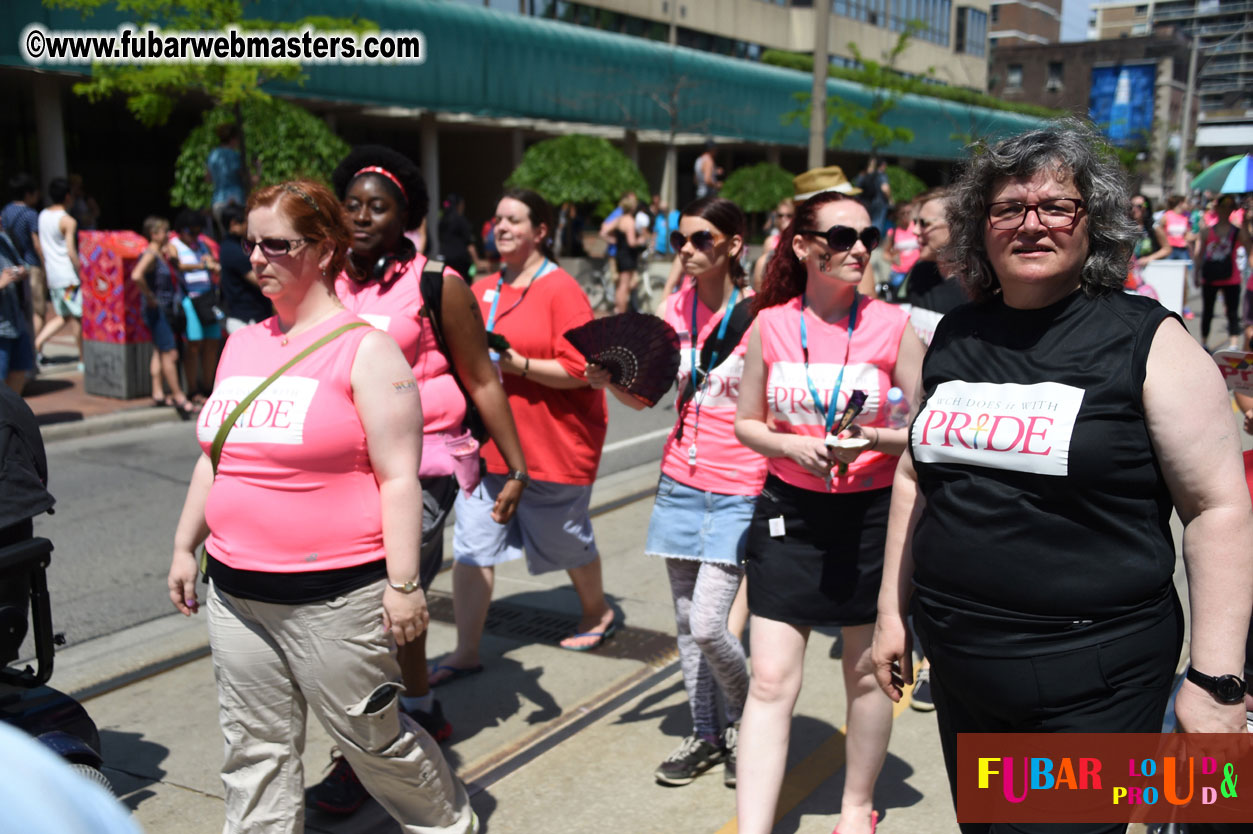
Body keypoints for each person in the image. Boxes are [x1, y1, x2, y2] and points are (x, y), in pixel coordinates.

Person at [870, 122, 1253, 834]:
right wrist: (893, 614)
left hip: (1089, 683)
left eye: (1056, 205)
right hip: (963, 668)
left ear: (1094, 224)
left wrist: (1214, 683)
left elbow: (1217, 509)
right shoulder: (956, 337)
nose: (1030, 223)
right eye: (1007, 208)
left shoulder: (1149, 341)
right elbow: (914, 477)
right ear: (979, 229)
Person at [166, 179, 477, 834]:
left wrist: (403, 585)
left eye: (275, 245)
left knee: (373, 745)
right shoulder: (242, 344)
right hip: (235, 593)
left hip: (334, 598)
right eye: (249, 243)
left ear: (325, 249)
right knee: (253, 750)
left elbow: (398, 479)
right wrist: (182, 546)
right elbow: (214, 457)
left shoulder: (366, 349)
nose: (255, 258)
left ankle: (449, 825)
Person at [309, 145, 527, 815]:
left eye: (381, 206)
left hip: (423, 463)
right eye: (353, 205)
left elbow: (482, 377)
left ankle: (363, 758)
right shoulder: (322, 279)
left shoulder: (437, 282)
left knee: (372, 609)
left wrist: (515, 466)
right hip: (342, 467)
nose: (364, 216)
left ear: (408, 216)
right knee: (381, 608)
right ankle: (422, 708)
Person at [733, 190, 926, 834]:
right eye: (842, 237)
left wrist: (872, 440)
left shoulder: (892, 325)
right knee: (768, 682)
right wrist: (791, 444)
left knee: (869, 675)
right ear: (802, 246)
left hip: (872, 518)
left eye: (867, 237)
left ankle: (854, 806)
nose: (859, 249)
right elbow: (747, 424)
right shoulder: (770, 324)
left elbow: (935, 428)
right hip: (789, 513)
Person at [593, 196, 764, 789]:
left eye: (701, 241)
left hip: (741, 482)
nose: (687, 252)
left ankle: (748, 721)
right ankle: (705, 731)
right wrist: (611, 382)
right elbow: (650, 397)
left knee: (710, 626)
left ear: (733, 245)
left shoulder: (763, 314)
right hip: (679, 481)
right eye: (680, 241)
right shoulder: (673, 308)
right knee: (685, 618)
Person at [431, 188, 612, 683]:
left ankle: (596, 611)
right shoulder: (480, 287)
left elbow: (583, 370)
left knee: (567, 542)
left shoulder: (561, 289)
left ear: (541, 231)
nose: (502, 226)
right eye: (497, 218)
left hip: (551, 444)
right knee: (472, 547)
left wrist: (519, 365)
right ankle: (466, 650)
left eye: (514, 219)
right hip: (486, 447)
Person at [130, 216, 194, 416]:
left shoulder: (161, 252)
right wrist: (149, 296)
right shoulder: (150, 254)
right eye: (164, 232)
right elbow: (136, 275)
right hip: (158, 309)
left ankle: (157, 393)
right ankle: (179, 396)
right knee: (170, 353)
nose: (168, 235)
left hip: (163, 308)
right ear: (153, 234)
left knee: (159, 350)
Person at [170, 209, 222, 400]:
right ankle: (193, 389)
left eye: (197, 231)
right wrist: (202, 266)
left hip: (207, 298)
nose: (194, 235)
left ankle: (208, 386)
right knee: (194, 343)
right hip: (189, 299)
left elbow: (212, 261)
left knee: (212, 341)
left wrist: (212, 263)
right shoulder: (173, 245)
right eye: (190, 232)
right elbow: (177, 265)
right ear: (181, 230)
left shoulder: (201, 244)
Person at [33, 177, 82, 369]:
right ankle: (82, 359)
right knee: (77, 316)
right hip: (69, 278)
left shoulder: (42, 215)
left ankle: (36, 345)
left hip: (53, 276)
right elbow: (71, 251)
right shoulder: (68, 220)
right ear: (68, 196)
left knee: (64, 315)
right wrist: (81, 270)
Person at [1195, 193, 1252, 352]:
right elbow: (1200, 254)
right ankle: (1204, 342)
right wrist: (1196, 272)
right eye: (1223, 207)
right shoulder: (1207, 231)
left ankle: (1233, 344)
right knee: (1208, 311)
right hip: (1211, 277)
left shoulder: (1237, 231)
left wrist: (1246, 222)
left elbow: (1249, 247)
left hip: (1231, 278)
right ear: (1217, 208)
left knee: (1232, 312)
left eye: (1229, 207)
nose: (1226, 210)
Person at [217, 205, 273, 335]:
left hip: (253, 316)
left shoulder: (233, 245)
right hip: (245, 320)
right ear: (234, 223)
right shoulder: (233, 250)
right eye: (247, 222)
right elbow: (260, 280)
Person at [2, 174, 45, 338]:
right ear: (27, 193)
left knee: (22, 307)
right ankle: (35, 347)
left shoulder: (5, 211)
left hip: (10, 266)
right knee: (38, 311)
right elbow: (36, 243)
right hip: (31, 265)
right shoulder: (30, 214)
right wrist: (44, 264)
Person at [0, 231, 34, 394]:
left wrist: (21, 271)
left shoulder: (4, 239)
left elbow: (22, 265)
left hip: (16, 323)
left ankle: (10, 416)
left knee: (20, 372)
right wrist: (1, 283)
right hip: (1, 330)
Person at [206, 122, 247, 239]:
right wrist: (258, 169)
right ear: (233, 139)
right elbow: (246, 178)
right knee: (238, 239)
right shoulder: (235, 155)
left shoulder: (213, 155)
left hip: (217, 201)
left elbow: (208, 178)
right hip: (234, 201)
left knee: (225, 237)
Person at [751, 197, 795, 291]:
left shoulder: (798, 241)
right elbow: (762, 270)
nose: (784, 219)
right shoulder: (770, 241)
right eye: (780, 215)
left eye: (789, 215)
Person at [609, 192, 642, 314]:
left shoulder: (619, 220)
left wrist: (613, 239)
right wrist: (640, 240)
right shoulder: (630, 221)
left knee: (621, 286)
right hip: (627, 256)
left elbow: (603, 230)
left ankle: (618, 309)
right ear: (632, 208)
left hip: (619, 254)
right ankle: (621, 313)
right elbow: (631, 242)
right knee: (624, 286)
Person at [883, 202, 921, 298]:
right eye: (903, 213)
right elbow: (885, 253)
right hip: (899, 273)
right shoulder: (893, 232)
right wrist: (893, 259)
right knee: (896, 299)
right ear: (897, 215)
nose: (906, 215)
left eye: (909, 212)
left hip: (917, 270)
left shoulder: (918, 228)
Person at [438, 193, 478, 279]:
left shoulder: (442, 221)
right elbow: (469, 244)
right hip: (461, 261)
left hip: (445, 258)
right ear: (458, 205)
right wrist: (476, 261)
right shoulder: (461, 221)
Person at [856, 157, 892, 233]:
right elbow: (885, 188)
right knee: (877, 222)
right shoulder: (881, 175)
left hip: (867, 202)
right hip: (879, 202)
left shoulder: (863, 176)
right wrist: (890, 199)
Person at [1158, 193, 1193, 261]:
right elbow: (1159, 231)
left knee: (1186, 269)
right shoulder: (1167, 215)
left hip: (1182, 249)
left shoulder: (1186, 217)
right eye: (1186, 203)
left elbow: (1187, 233)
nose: (1188, 205)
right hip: (1170, 249)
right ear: (1180, 203)